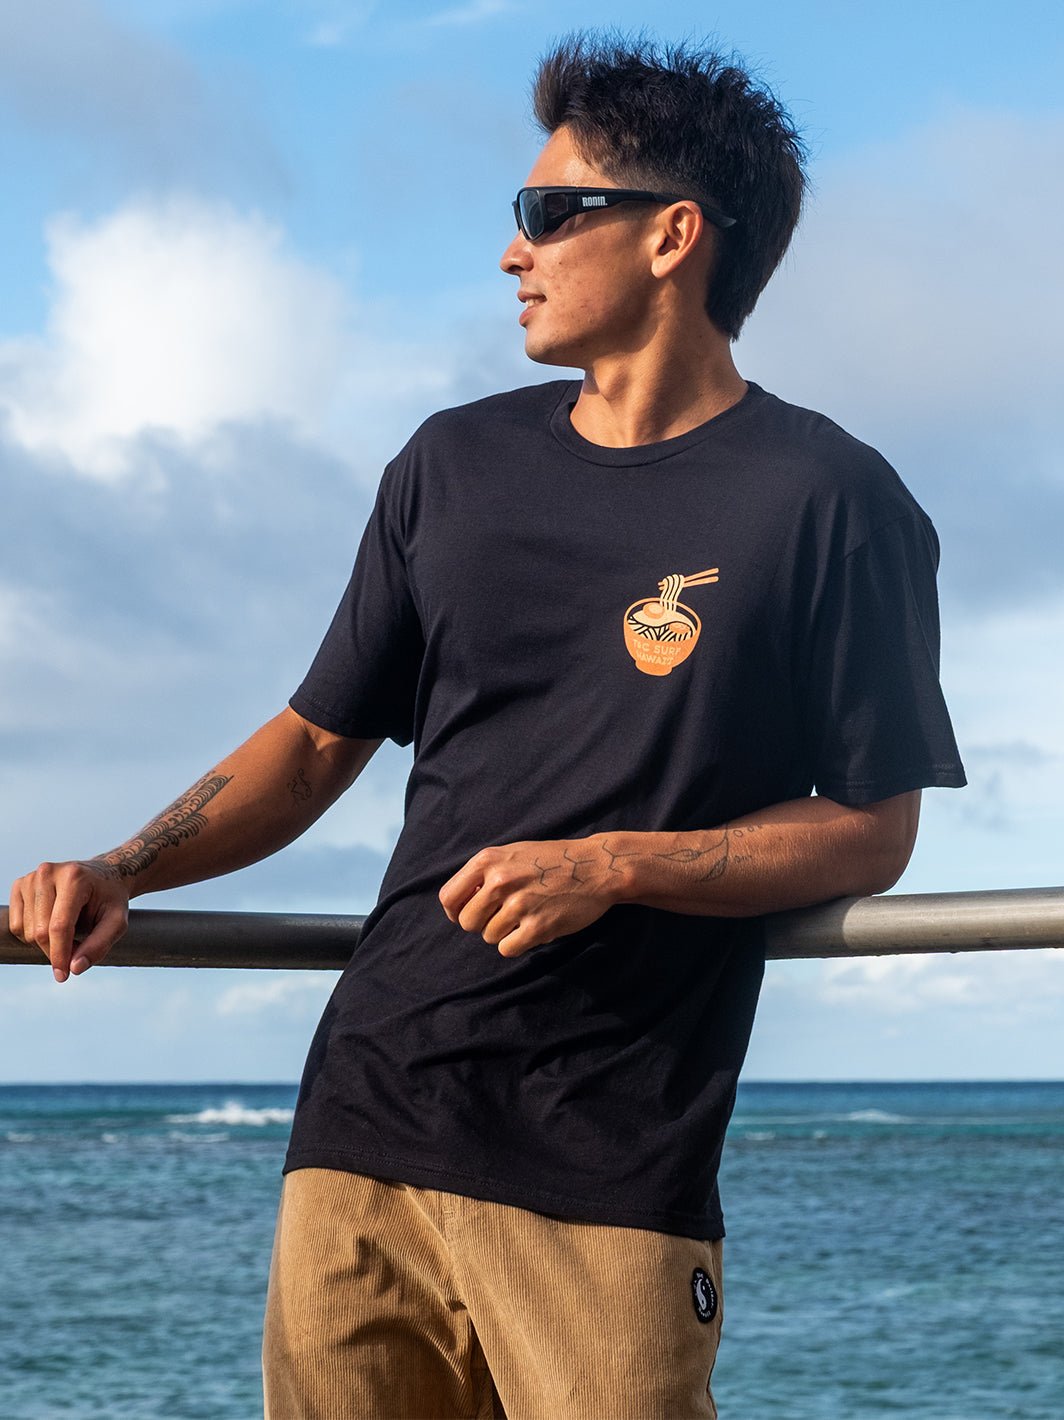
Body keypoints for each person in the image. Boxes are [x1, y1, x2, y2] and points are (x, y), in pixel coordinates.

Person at [8, 33, 966, 1420]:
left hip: (607, 1165)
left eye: (549, 211)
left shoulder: (831, 502)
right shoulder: (450, 465)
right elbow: (314, 743)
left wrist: (612, 864)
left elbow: (873, 828)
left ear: (673, 236)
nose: (514, 251)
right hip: (361, 1138)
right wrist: (123, 868)